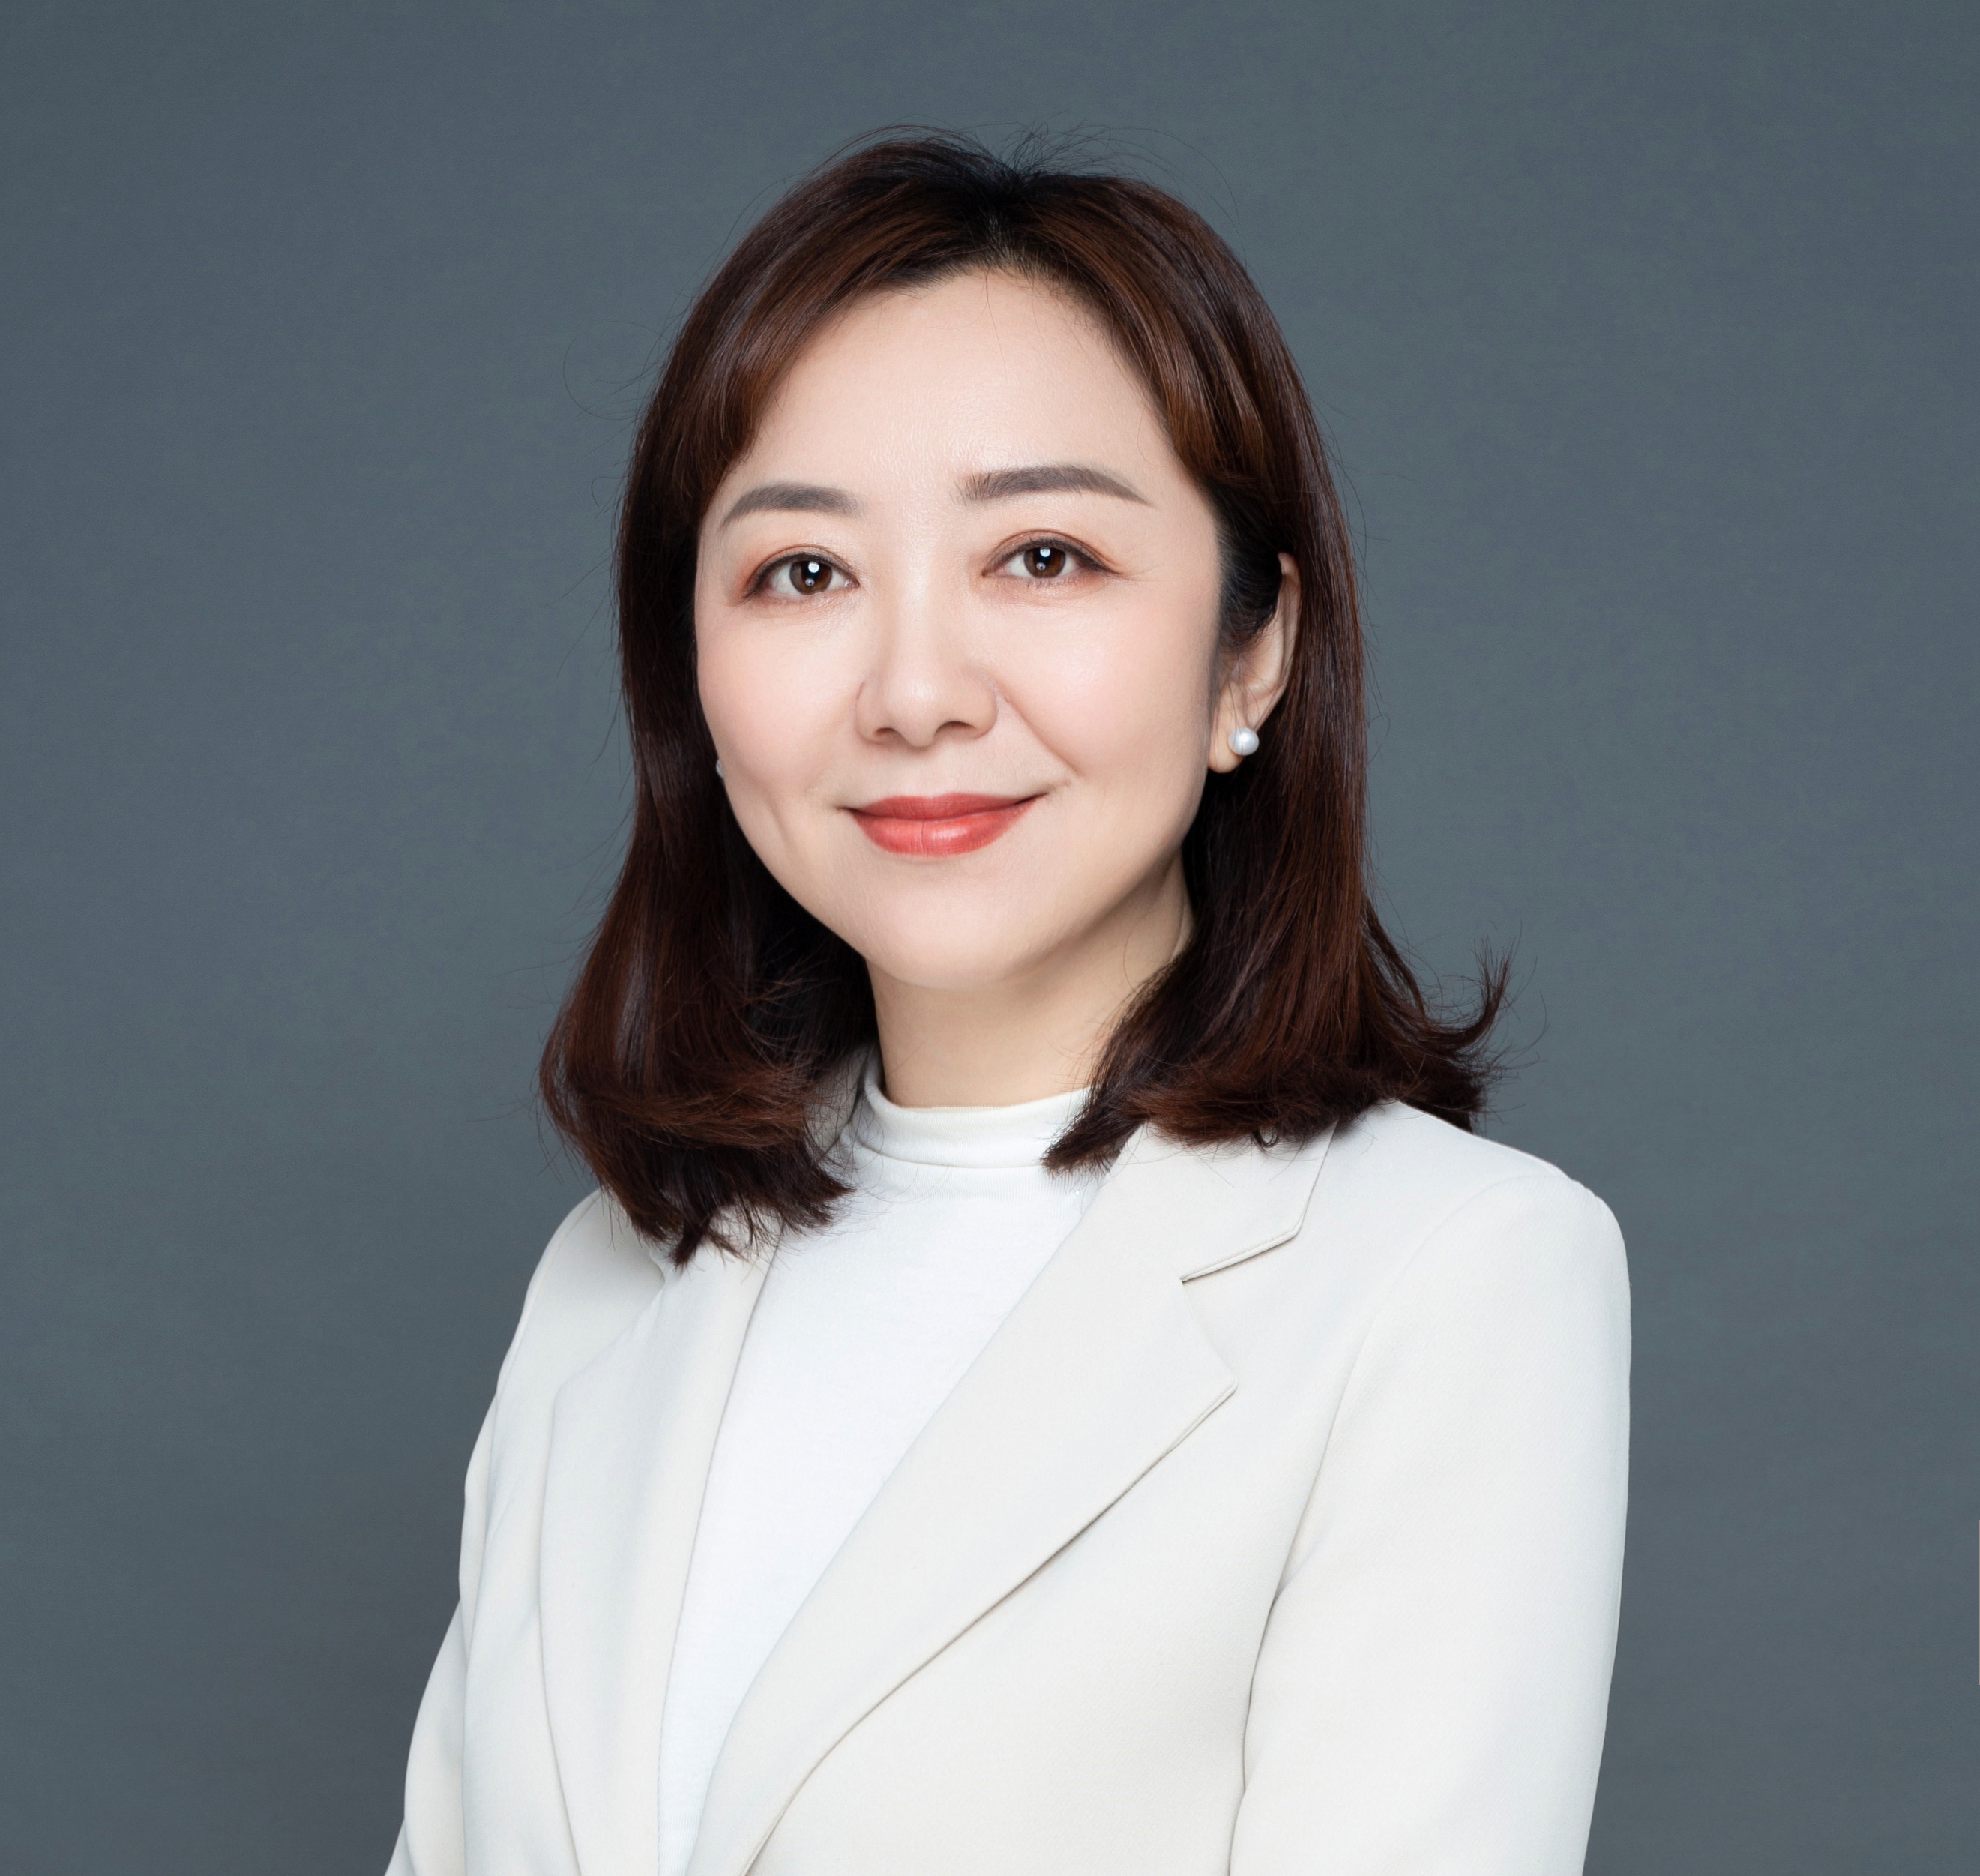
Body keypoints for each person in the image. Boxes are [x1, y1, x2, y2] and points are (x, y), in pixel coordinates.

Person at [384, 133, 1630, 1876]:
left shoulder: (1447, 1275)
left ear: (1253, 647)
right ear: (689, 672)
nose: (913, 692)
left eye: (1042, 556)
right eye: (803, 572)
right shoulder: (610, 1277)